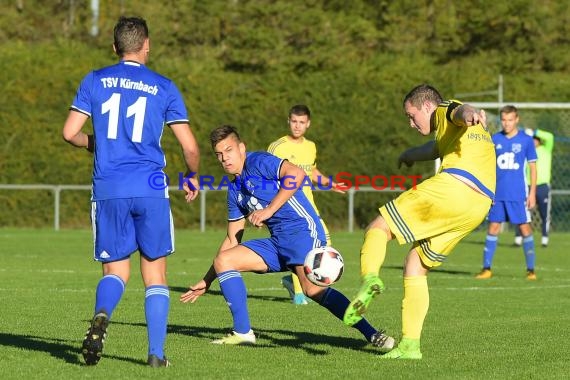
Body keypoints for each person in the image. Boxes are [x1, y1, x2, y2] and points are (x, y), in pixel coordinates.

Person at [180, 125, 394, 352]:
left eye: (229, 150)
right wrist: (207, 280)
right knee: (224, 260)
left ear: (241, 148)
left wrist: (269, 210)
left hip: (302, 231)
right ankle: (243, 333)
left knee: (312, 290)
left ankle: (371, 333)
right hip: (277, 242)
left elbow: (297, 174)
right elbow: (233, 238)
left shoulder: (259, 162)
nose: (225, 158)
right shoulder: (234, 189)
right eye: (219, 154)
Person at [62, 16, 200, 367]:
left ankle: (102, 315)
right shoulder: (163, 86)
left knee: (115, 273)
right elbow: (190, 147)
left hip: (108, 189)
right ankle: (155, 355)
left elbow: (68, 132)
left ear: (115, 48)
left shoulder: (94, 80)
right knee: (155, 274)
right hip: (151, 189)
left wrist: (95, 144)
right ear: (147, 45)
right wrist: (192, 176)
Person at [343, 84, 495, 359]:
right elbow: (434, 148)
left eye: (411, 116)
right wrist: (408, 155)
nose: (411, 123)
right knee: (416, 265)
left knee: (379, 227)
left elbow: (459, 111)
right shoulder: (455, 135)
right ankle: (410, 346)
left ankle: (369, 280)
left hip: (454, 188)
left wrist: (469, 111)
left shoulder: (445, 108)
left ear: (427, 106)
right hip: (479, 206)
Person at [267, 104, 344, 305]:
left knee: (323, 244)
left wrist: (329, 183)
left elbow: (312, 171)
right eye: (294, 121)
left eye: (301, 122)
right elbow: (270, 178)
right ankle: (300, 289)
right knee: (301, 248)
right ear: (288, 122)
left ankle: (297, 283)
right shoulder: (278, 147)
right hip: (290, 209)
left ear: (308, 124)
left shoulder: (310, 146)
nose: (297, 126)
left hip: (310, 208)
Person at [475, 105, 537, 280]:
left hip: (518, 194)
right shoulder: (494, 139)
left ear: (517, 120)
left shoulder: (526, 140)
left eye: (510, 120)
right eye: (504, 120)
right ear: (500, 120)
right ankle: (486, 268)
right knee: (493, 227)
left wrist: (532, 193)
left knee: (525, 228)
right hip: (498, 194)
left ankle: (530, 270)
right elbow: (487, 167)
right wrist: (488, 192)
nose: (507, 123)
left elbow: (533, 168)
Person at [514, 128, 554, 247]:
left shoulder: (546, 149)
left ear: (539, 140)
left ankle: (544, 238)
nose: (533, 142)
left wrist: (535, 131)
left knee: (544, 213)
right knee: (522, 212)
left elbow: (550, 136)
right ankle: (518, 238)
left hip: (542, 186)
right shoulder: (526, 151)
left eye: (535, 139)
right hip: (527, 185)